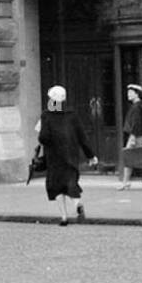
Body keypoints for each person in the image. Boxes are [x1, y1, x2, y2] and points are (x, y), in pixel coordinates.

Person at [37, 84, 97, 226]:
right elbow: (82, 137)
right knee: (71, 183)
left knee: (56, 186)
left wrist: (42, 135)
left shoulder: (46, 115)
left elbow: (43, 138)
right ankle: (77, 204)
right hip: (71, 155)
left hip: (54, 157)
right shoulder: (72, 115)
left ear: (52, 100)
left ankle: (64, 217)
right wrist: (91, 155)